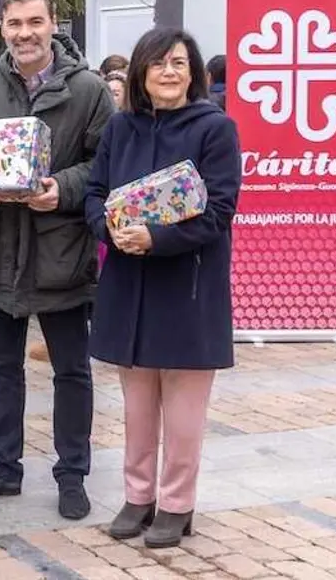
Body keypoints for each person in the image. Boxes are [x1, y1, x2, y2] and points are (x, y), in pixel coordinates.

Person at [0, 0, 113, 519]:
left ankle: (72, 474)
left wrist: (59, 189)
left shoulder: (88, 90)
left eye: (34, 22)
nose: (25, 34)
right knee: (0, 367)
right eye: (15, 24)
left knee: (71, 372)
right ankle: (3, 467)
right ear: (3, 29)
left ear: (53, 23)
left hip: (60, 253)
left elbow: (104, 164)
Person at [87, 28, 240, 548]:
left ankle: (177, 504)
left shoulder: (215, 129)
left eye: (179, 63)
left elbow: (218, 212)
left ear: (193, 72)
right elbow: (94, 193)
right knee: (136, 406)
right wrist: (110, 229)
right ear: (141, 73)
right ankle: (137, 496)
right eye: (158, 63)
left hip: (188, 285)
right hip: (130, 282)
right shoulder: (120, 129)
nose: (169, 71)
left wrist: (156, 237)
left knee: (183, 410)